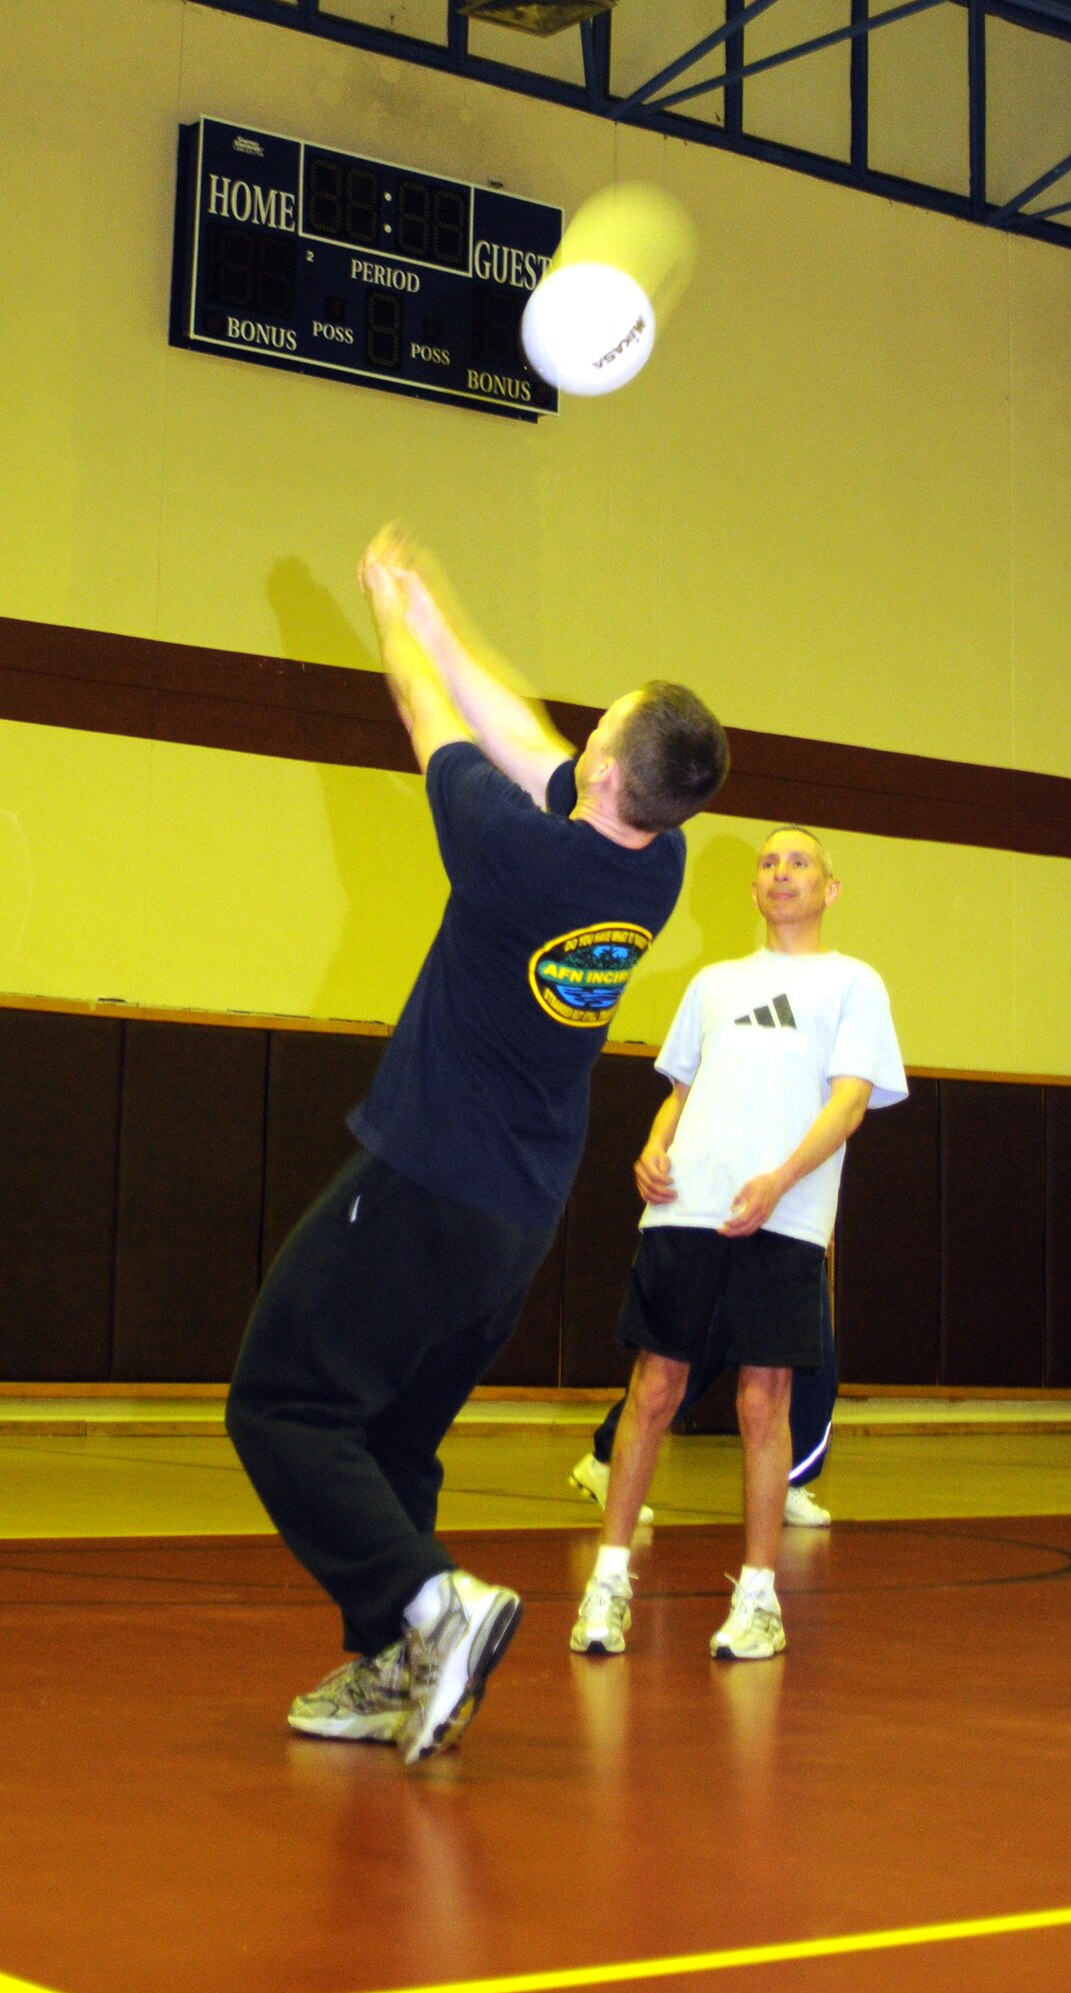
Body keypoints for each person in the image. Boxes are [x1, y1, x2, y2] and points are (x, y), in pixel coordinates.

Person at [226, 528, 728, 1765]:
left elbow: (426, 716)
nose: (578, 739)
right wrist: (440, 615)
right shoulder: (649, 859)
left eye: (595, 734)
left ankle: (431, 1604)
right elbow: (529, 742)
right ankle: (394, 1665)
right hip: (516, 1217)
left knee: (279, 1403)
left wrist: (391, 616)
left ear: (607, 773)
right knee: (391, 1434)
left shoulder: (510, 854)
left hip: (422, 1178)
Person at [570, 826, 906, 1662]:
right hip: (685, 1211)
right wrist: (653, 1149)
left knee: (763, 1403)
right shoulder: (712, 985)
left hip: (781, 1218)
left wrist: (781, 1180)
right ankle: (607, 1586)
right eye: (767, 863)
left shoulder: (853, 984)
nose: (780, 873)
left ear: (829, 889)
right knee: (653, 1391)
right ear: (754, 889)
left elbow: (849, 1105)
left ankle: (758, 1599)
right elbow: (680, 1093)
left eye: (798, 863)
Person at [568, 1299, 837, 1529]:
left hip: (791, 1240)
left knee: (807, 1338)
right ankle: (610, 1461)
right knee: (701, 1348)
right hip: (725, 1239)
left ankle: (789, 1479)